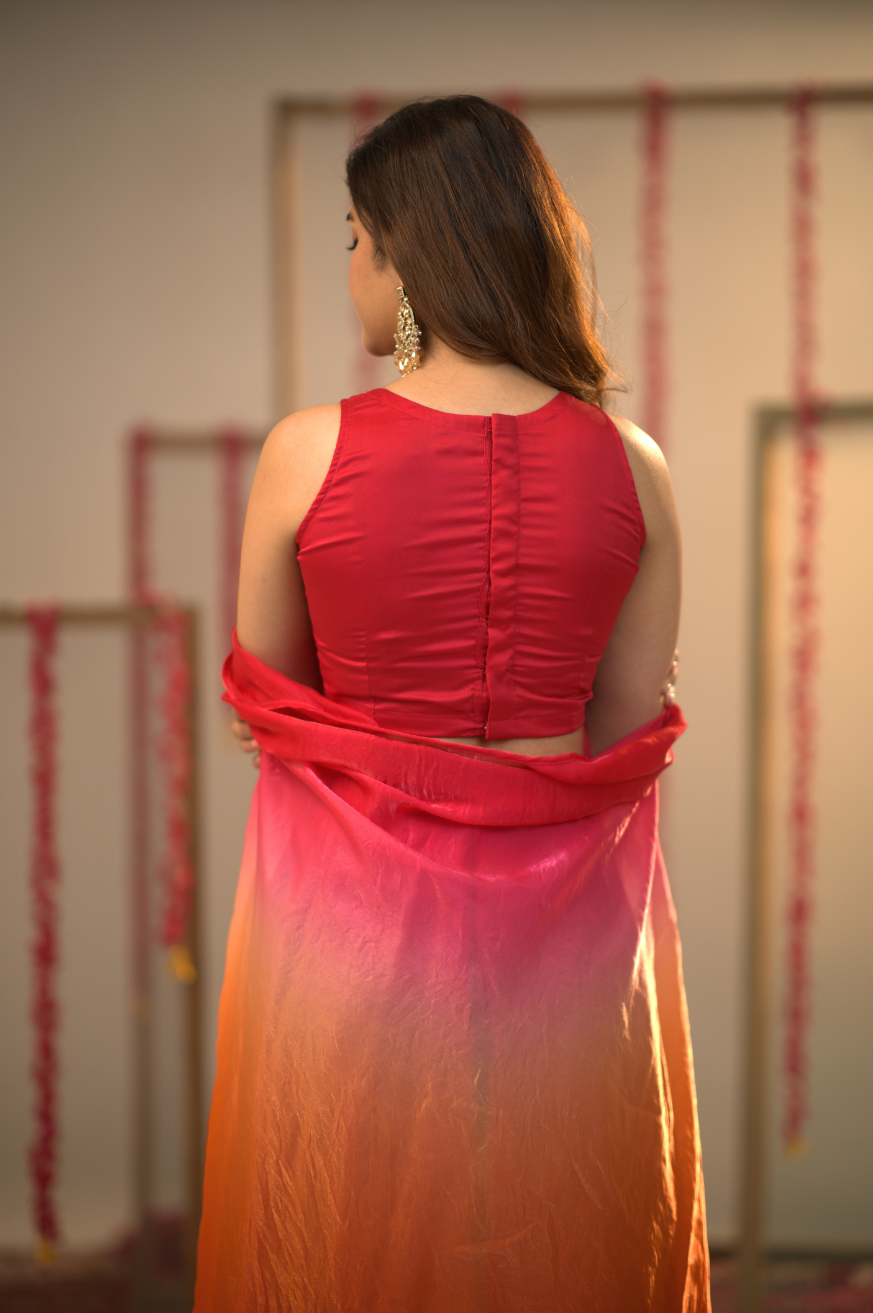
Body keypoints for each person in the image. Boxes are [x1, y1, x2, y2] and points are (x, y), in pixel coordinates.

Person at [194, 96, 710, 1311]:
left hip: (353, 930)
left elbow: (267, 697)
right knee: (563, 1217)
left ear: (405, 253)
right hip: (569, 935)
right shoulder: (634, 464)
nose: (352, 269)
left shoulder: (304, 449)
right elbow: (630, 724)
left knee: (348, 1226)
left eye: (354, 239)